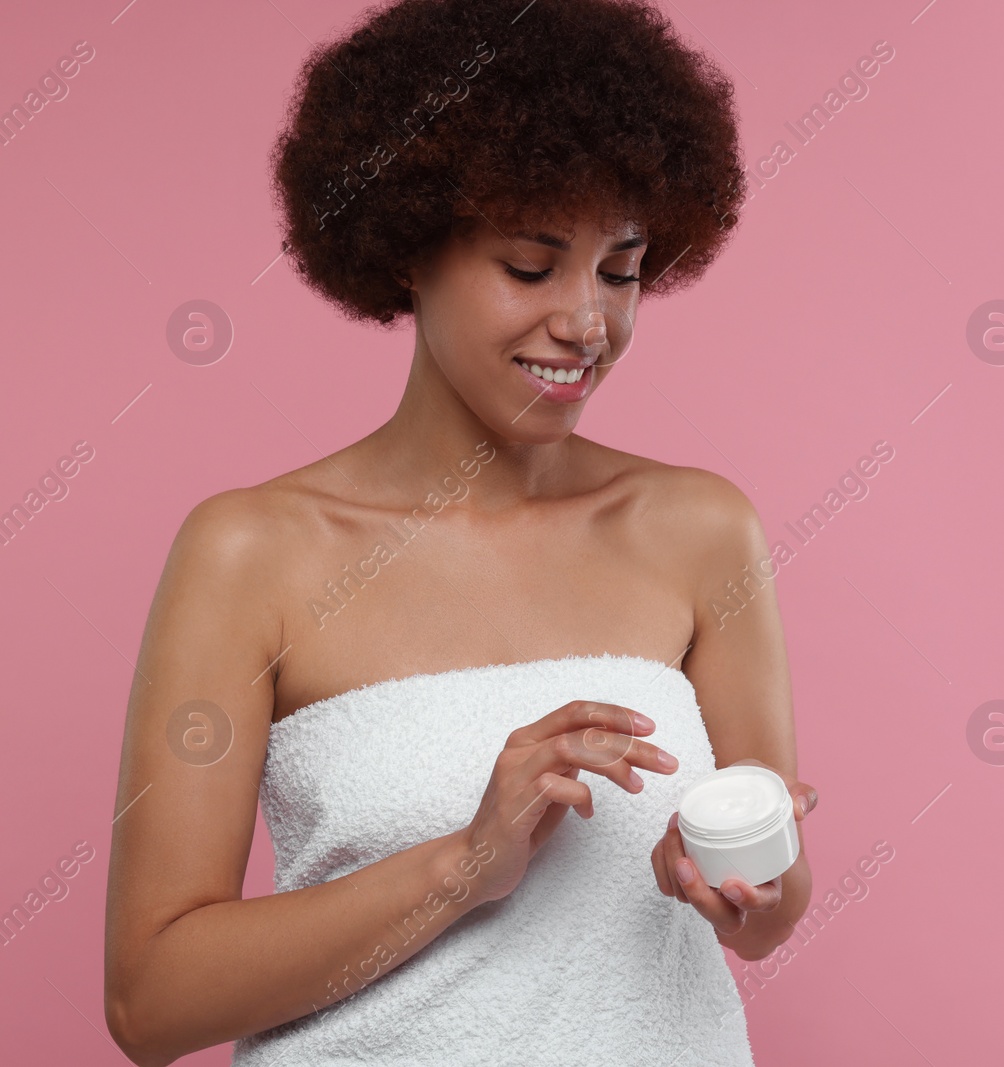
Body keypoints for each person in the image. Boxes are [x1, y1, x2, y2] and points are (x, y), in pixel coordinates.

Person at [102, 1, 816, 1063]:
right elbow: (150, 1001)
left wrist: (737, 885)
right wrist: (463, 864)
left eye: (620, 269)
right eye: (531, 267)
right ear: (405, 249)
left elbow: (771, 898)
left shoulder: (698, 529)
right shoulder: (253, 553)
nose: (586, 321)